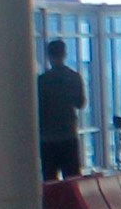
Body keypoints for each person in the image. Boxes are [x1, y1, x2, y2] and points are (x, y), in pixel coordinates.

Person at [36, 39, 87, 184]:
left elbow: (38, 109)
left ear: (48, 56)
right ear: (64, 54)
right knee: (72, 180)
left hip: (48, 138)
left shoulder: (42, 80)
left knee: (50, 181)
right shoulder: (74, 77)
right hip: (68, 134)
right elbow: (80, 103)